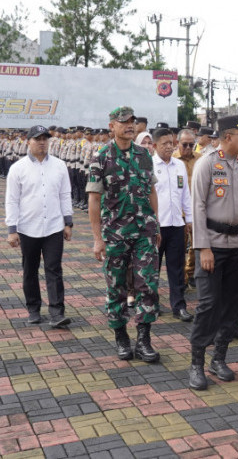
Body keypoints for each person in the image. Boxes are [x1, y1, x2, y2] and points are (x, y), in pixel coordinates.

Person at [188, 115, 238, 390]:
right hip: (212, 247)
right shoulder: (207, 163)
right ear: (229, 137)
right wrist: (203, 247)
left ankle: (219, 357)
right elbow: (198, 208)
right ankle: (196, 363)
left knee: (233, 304)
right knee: (208, 305)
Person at [87, 106, 161, 363]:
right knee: (116, 287)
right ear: (112, 126)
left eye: (132, 121)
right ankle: (121, 337)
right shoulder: (102, 157)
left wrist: (156, 224)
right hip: (115, 233)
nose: (130, 125)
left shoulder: (144, 155)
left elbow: (152, 191)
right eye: (124, 122)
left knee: (147, 285)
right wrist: (97, 239)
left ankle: (144, 340)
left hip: (144, 231)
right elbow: (94, 200)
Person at [5, 125, 73, 327]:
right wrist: (12, 229)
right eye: (37, 139)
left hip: (53, 226)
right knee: (30, 269)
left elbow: (64, 194)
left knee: (54, 269)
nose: (42, 142)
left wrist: (68, 223)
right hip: (28, 228)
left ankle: (57, 312)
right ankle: (33, 309)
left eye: (45, 138)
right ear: (29, 142)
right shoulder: (18, 168)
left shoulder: (59, 165)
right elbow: (12, 200)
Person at [152, 128, 194, 322]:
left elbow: (185, 194)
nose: (169, 146)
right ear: (154, 146)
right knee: (152, 267)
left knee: (176, 268)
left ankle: (179, 306)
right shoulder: (149, 165)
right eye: (164, 143)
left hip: (177, 224)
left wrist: (189, 220)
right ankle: (151, 304)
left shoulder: (179, 166)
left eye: (171, 143)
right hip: (156, 227)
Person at [173, 127, 202, 290]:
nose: (189, 148)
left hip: (197, 208)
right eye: (185, 145)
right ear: (178, 143)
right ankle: (182, 278)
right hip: (179, 211)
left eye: (192, 145)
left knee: (196, 245)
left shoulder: (200, 159)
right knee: (179, 247)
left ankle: (190, 273)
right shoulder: (172, 160)